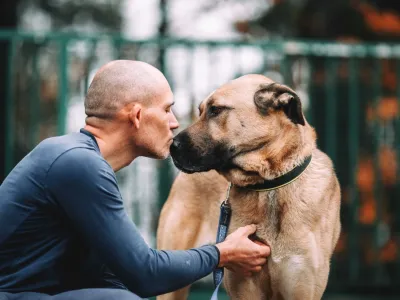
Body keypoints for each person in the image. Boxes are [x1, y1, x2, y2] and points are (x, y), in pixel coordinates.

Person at [0, 60, 270, 300]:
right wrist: (223, 253)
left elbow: (122, 276)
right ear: (137, 116)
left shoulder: (78, 160)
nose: (175, 123)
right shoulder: (77, 164)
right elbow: (145, 273)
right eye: (167, 110)